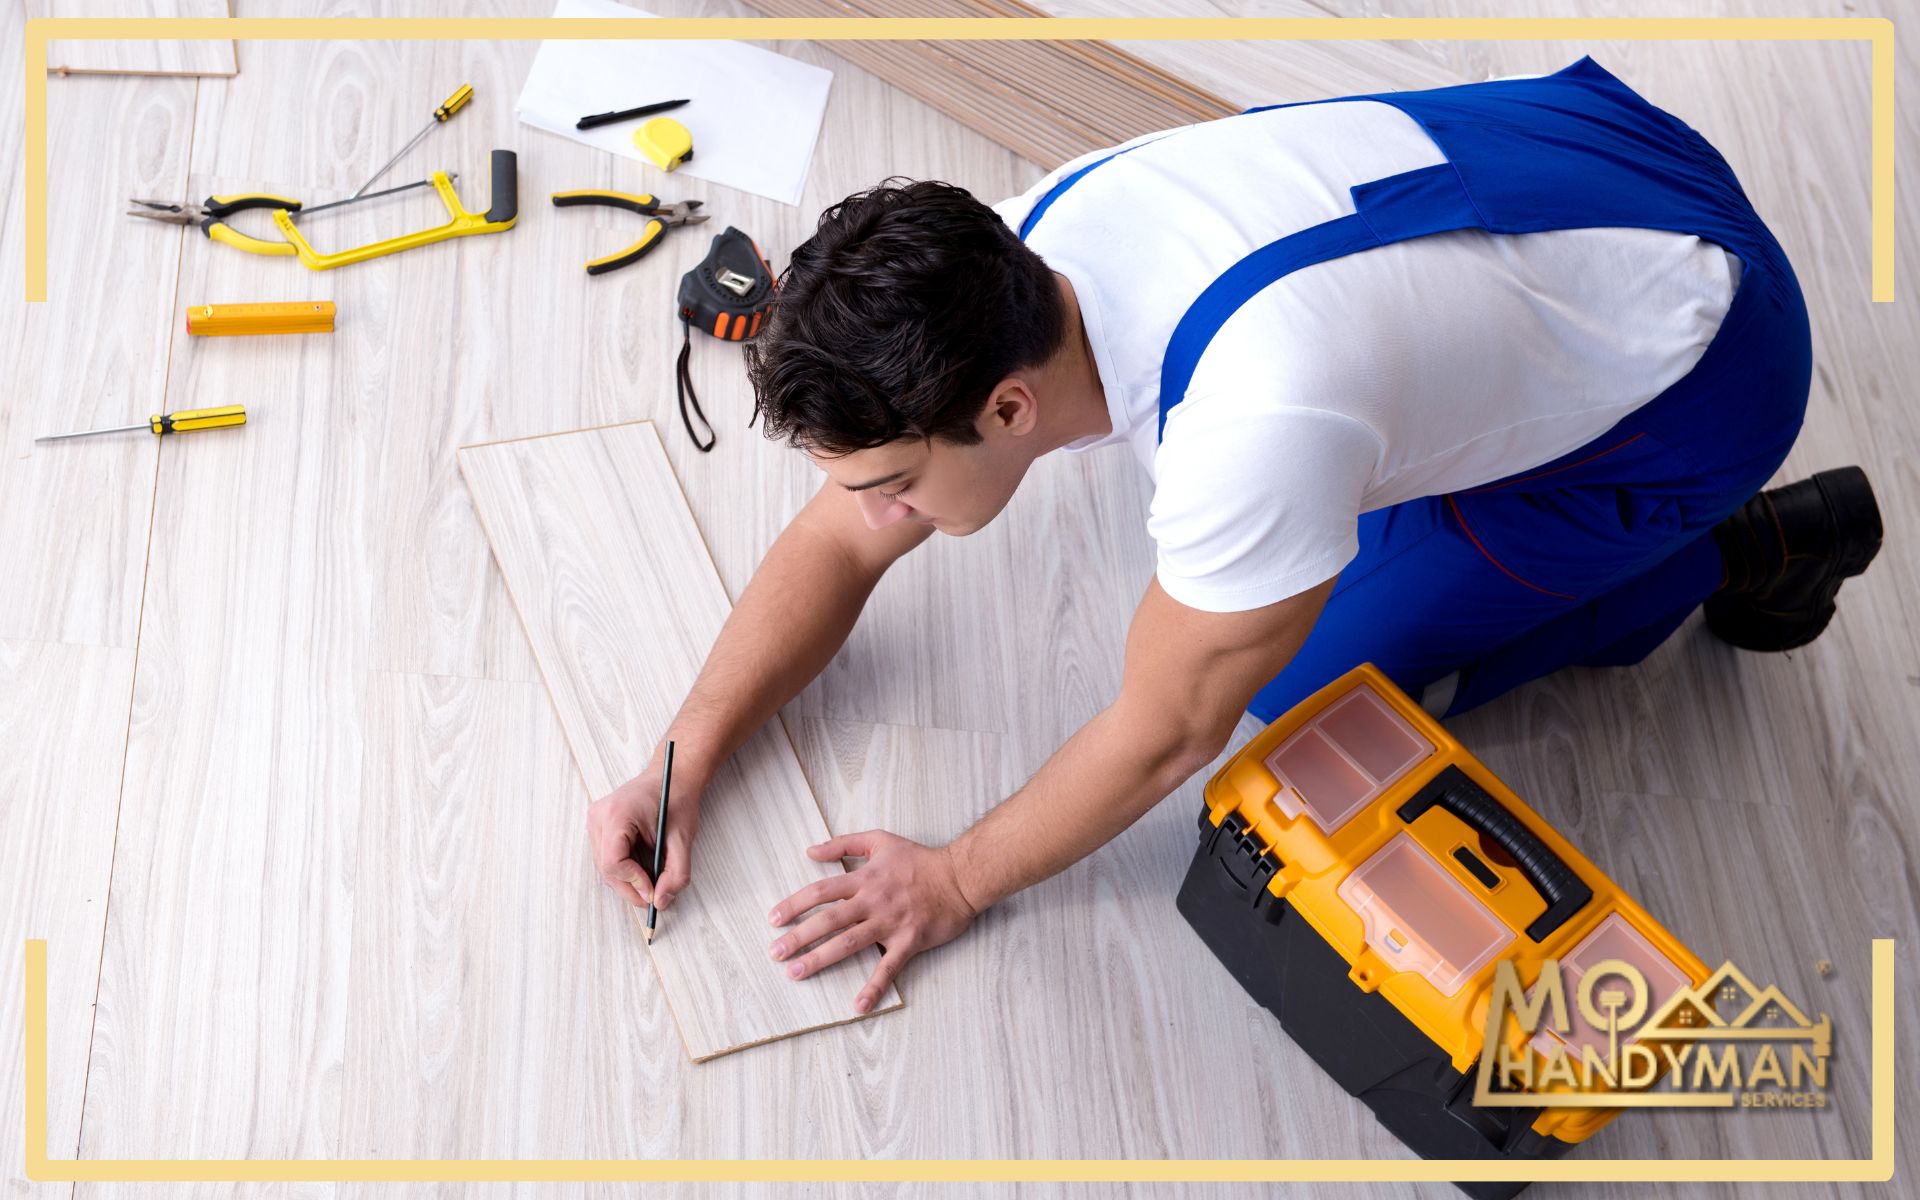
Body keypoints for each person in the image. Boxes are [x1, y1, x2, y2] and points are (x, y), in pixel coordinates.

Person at [586, 57, 1883, 1014]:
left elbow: (1165, 734)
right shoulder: (1026, 247)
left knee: (1310, 697)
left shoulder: (1248, 433)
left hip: (1702, 372)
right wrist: (684, 753)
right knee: (1305, 546)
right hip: (1590, 161)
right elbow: (844, 539)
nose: (875, 516)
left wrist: (954, 880)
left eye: (895, 482)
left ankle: (1743, 544)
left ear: (1008, 406)